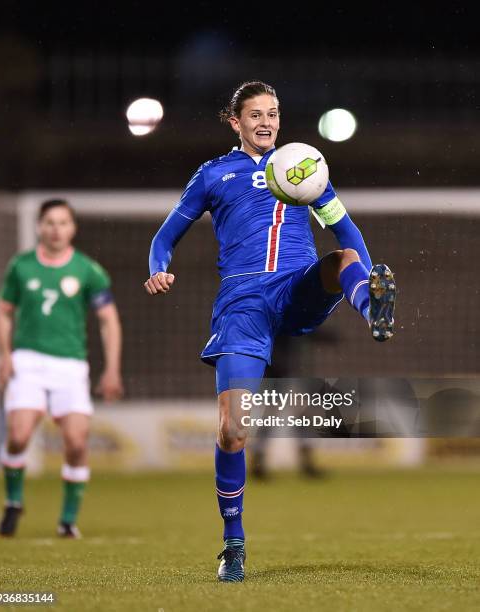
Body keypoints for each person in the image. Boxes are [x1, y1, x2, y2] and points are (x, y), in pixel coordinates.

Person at [144, 81, 396, 581]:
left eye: (274, 113)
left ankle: (372, 308)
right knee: (233, 430)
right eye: (255, 114)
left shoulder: (304, 167)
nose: (267, 121)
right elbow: (165, 235)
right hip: (243, 302)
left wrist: (366, 274)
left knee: (342, 260)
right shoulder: (215, 174)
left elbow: (348, 234)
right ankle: (233, 544)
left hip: (297, 284)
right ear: (234, 121)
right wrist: (159, 266)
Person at [0, 199, 123, 539]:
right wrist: (5, 355)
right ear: (39, 226)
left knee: (77, 444)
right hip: (28, 361)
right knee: (19, 436)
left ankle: (67, 521)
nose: (56, 229)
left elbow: (108, 320)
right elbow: (3, 312)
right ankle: (13, 501)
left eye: (63, 222)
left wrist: (111, 369)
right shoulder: (21, 266)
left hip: (70, 364)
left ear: (72, 228)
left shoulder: (87, 270)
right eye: (49, 222)